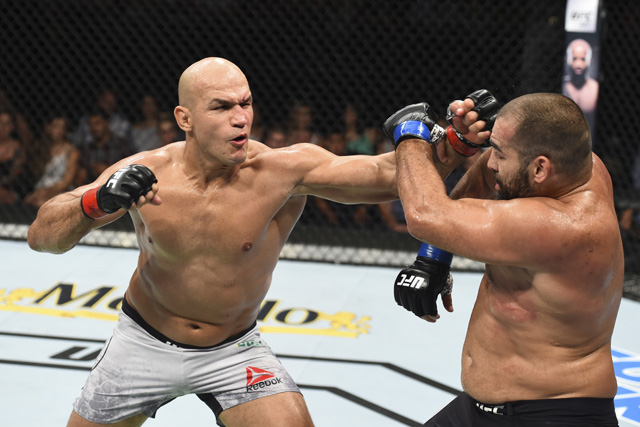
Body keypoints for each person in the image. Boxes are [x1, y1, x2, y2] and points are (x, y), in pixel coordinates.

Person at [27, 57, 464, 427]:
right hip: (142, 340)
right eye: (221, 107)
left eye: (246, 103)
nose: (240, 118)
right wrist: (93, 202)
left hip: (233, 350)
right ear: (185, 119)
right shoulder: (148, 171)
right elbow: (42, 237)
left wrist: (456, 142)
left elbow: (390, 176)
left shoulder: (282, 171)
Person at [386, 91, 622, 426]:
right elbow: (488, 172)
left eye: (499, 152)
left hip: (554, 416)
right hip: (481, 410)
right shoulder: (581, 165)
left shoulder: (560, 226)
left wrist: (410, 134)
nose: (490, 160)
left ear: (540, 168)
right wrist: (434, 259)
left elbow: (426, 215)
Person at [24, 115, 80, 207]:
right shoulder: (41, 148)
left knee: (41, 202)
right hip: (40, 189)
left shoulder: (71, 151)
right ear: (48, 128)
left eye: (63, 127)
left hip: (61, 190)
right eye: (56, 126)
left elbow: (67, 181)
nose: (60, 131)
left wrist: (48, 191)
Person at [75, 110, 133, 185]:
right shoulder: (88, 148)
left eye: (97, 123)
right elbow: (82, 173)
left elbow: (130, 169)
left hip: (116, 185)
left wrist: (109, 170)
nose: (94, 128)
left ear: (106, 123)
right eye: (91, 125)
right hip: (92, 186)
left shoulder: (120, 145)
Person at [563, 38, 599, 115]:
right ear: (568, 60)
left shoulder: (595, 88)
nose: (578, 65)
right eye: (574, 59)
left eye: (583, 59)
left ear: (590, 61)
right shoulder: (563, 85)